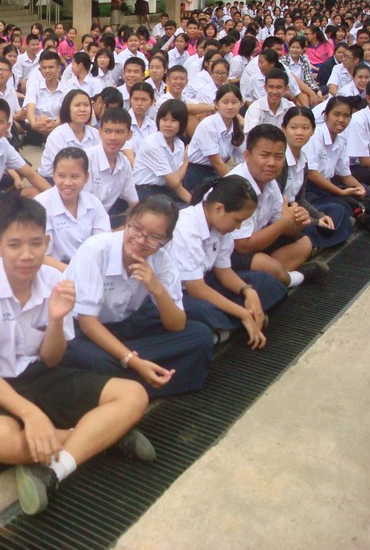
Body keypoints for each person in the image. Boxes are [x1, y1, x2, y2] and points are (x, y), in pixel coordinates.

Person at [0, 195, 153, 516]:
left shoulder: (55, 282)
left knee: (134, 394)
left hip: (38, 372)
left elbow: (53, 359)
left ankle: (54, 471)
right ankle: (102, 437)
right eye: (14, 244)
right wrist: (32, 415)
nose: (26, 254)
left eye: (35, 243)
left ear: (46, 243)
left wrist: (57, 320)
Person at [62, 197, 215, 398]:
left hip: (127, 326)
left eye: (154, 237)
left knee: (200, 336)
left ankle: (121, 385)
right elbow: (88, 323)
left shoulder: (162, 261)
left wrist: (157, 289)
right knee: (92, 360)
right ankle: (138, 378)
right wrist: (133, 361)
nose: (141, 241)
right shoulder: (96, 250)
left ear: (166, 241)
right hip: (84, 332)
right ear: (128, 221)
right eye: (136, 229)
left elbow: (177, 325)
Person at [170, 175, 288, 346]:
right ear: (219, 208)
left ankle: (228, 329)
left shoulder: (221, 227)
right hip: (179, 292)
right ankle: (240, 322)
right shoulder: (186, 228)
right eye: (237, 220)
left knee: (266, 282)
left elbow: (223, 270)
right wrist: (242, 313)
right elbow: (196, 288)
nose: (238, 227)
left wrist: (248, 291)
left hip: (205, 282)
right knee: (204, 311)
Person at [226, 124, 328, 288]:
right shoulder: (236, 187)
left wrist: (298, 221)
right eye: (265, 155)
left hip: (255, 241)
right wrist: (284, 222)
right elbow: (242, 245)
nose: (272, 163)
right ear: (247, 155)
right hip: (227, 251)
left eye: (278, 157)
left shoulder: (270, 183)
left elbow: (284, 226)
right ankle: (293, 278)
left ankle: (274, 278)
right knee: (265, 264)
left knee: (304, 244)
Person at [277, 106, 352, 250]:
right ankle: (317, 242)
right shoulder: (279, 161)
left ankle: (318, 242)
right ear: (284, 129)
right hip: (280, 213)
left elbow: (300, 198)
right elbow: (276, 205)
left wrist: (319, 216)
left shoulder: (303, 160)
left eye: (305, 128)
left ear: (312, 131)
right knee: (305, 228)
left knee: (338, 211)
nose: (299, 132)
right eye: (293, 127)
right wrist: (314, 221)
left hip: (297, 209)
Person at [35, 147, 110, 272]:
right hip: (54, 271)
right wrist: (74, 273)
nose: (67, 183)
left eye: (75, 176)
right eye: (61, 176)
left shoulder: (94, 203)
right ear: (53, 175)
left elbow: (103, 244)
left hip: (90, 268)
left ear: (86, 177)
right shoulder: (40, 205)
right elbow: (41, 255)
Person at [184, 85, 245, 191]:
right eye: (225, 102)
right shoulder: (208, 125)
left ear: (241, 104)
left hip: (216, 173)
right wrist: (236, 187)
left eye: (234, 102)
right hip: (197, 175)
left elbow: (243, 157)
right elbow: (216, 162)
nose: (230, 107)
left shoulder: (235, 126)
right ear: (216, 104)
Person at [85, 107, 138, 226]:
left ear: (129, 135)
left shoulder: (124, 163)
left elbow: (134, 203)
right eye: (107, 131)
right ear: (99, 132)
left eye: (119, 132)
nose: (113, 137)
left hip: (102, 222)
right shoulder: (86, 159)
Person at [133, 99, 191, 204]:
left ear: (181, 123)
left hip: (166, 192)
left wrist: (195, 203)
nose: (168, 124)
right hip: (146, 192)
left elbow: (176, 184)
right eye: (164, 120)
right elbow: (174, 182)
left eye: (173, 121)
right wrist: (186, 162)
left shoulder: (179, 144)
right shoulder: (152, 144)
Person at [38, 89, 99, 179]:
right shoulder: (57, 135)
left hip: (86, 178)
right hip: (53, 180)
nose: (82, 109)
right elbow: (63, 167)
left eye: (86, 105)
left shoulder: (95, 133)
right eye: (77, 105)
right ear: (67, 109)